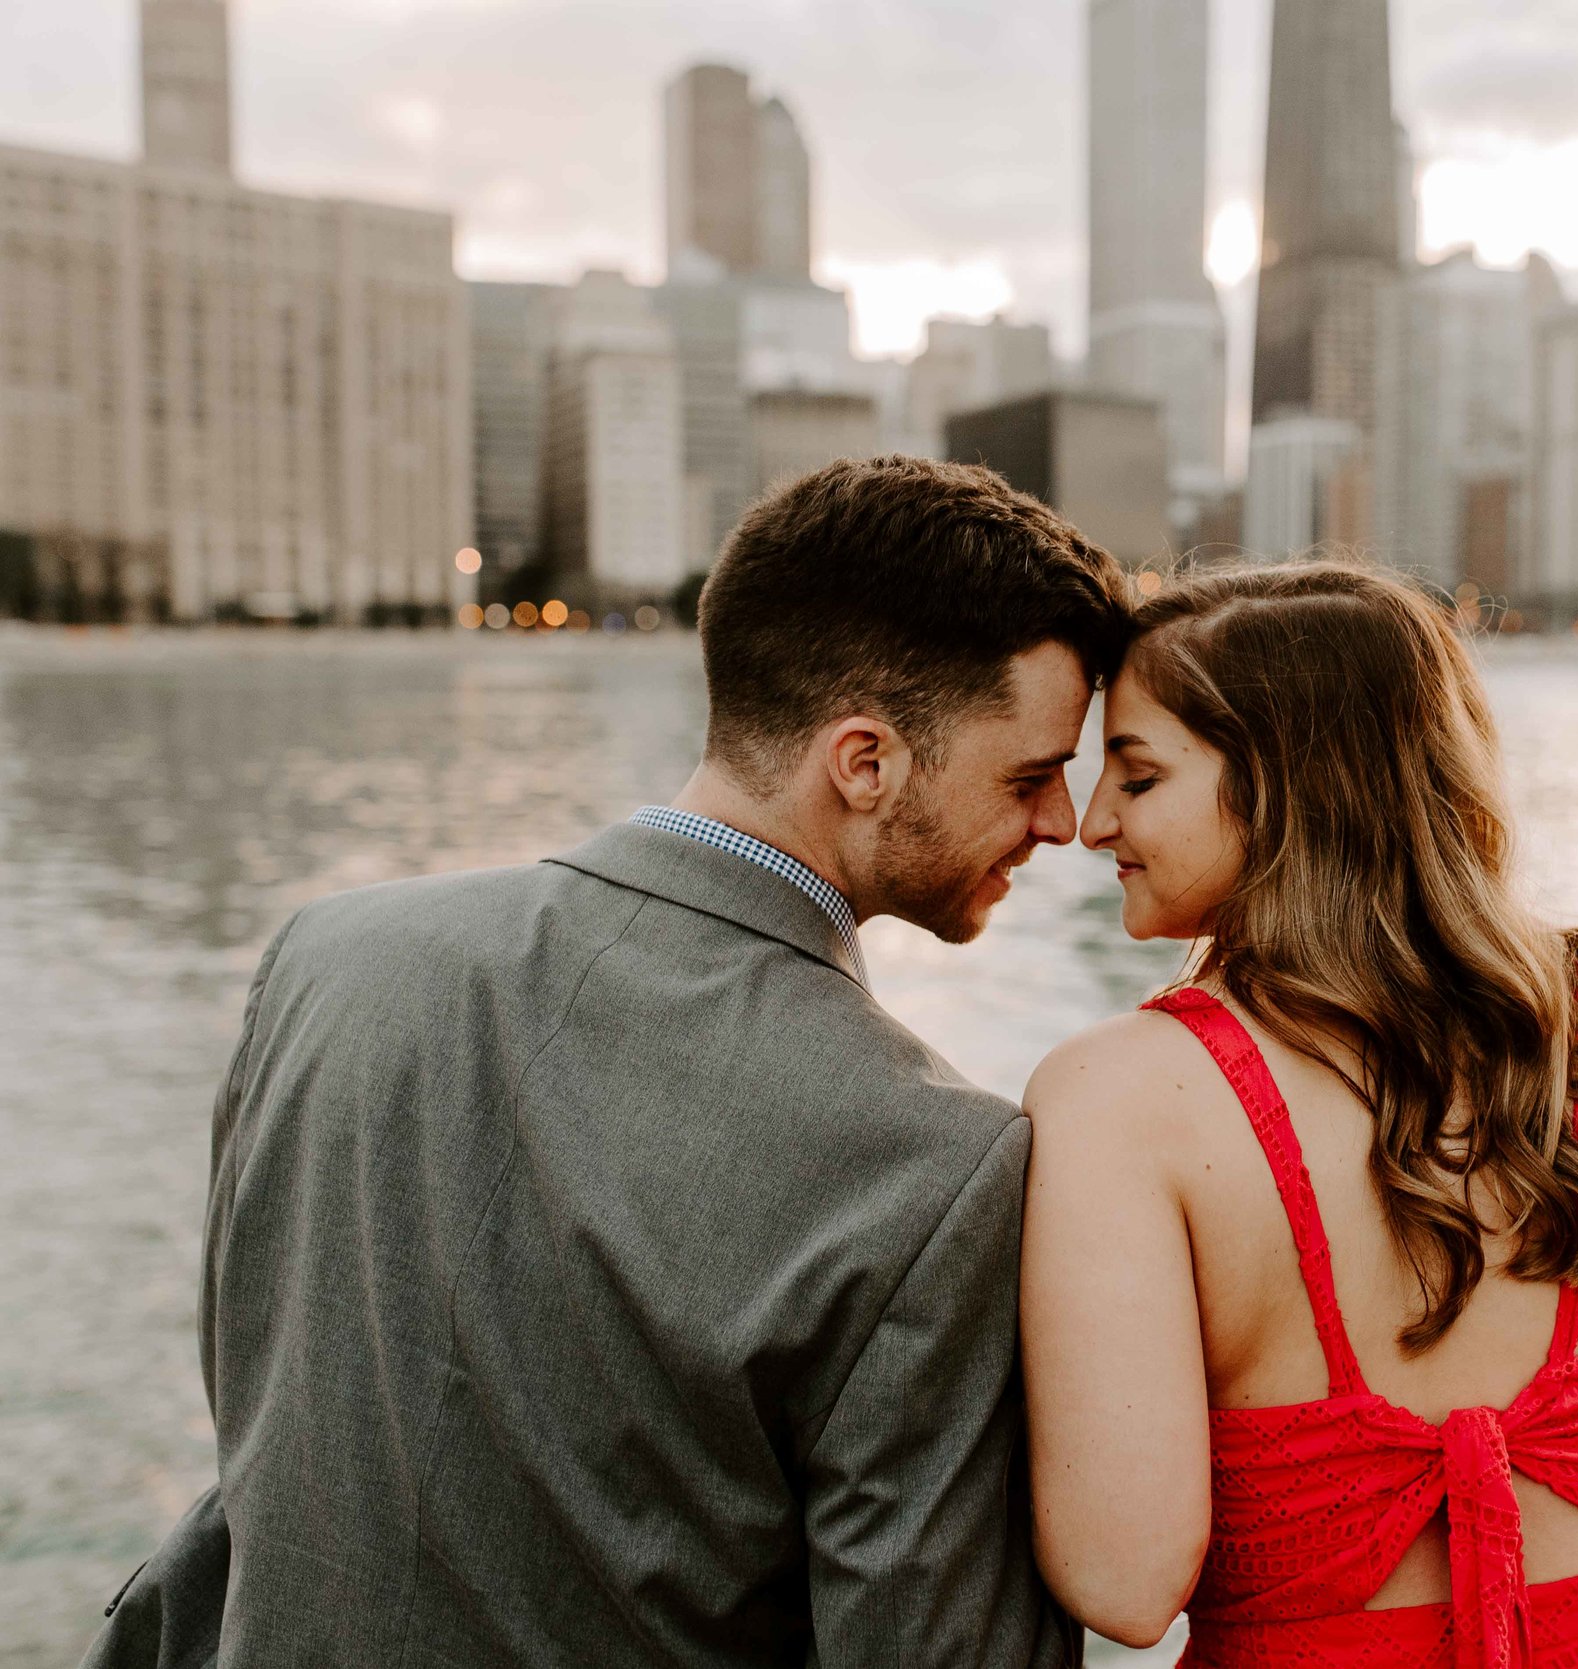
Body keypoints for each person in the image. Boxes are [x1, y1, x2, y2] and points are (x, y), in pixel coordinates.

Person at [84, 457, 1128, 1668]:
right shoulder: (938, 1167)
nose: (1064, 821)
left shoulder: (327, 959)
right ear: (865, 762)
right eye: (1033, 772)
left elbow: (257, 1397)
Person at [1019, 562, 1578, 1668]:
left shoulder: (1117, 1097)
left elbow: (1126, 1579)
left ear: (1291, 785)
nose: (1092, 821)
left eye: (1138, 774)